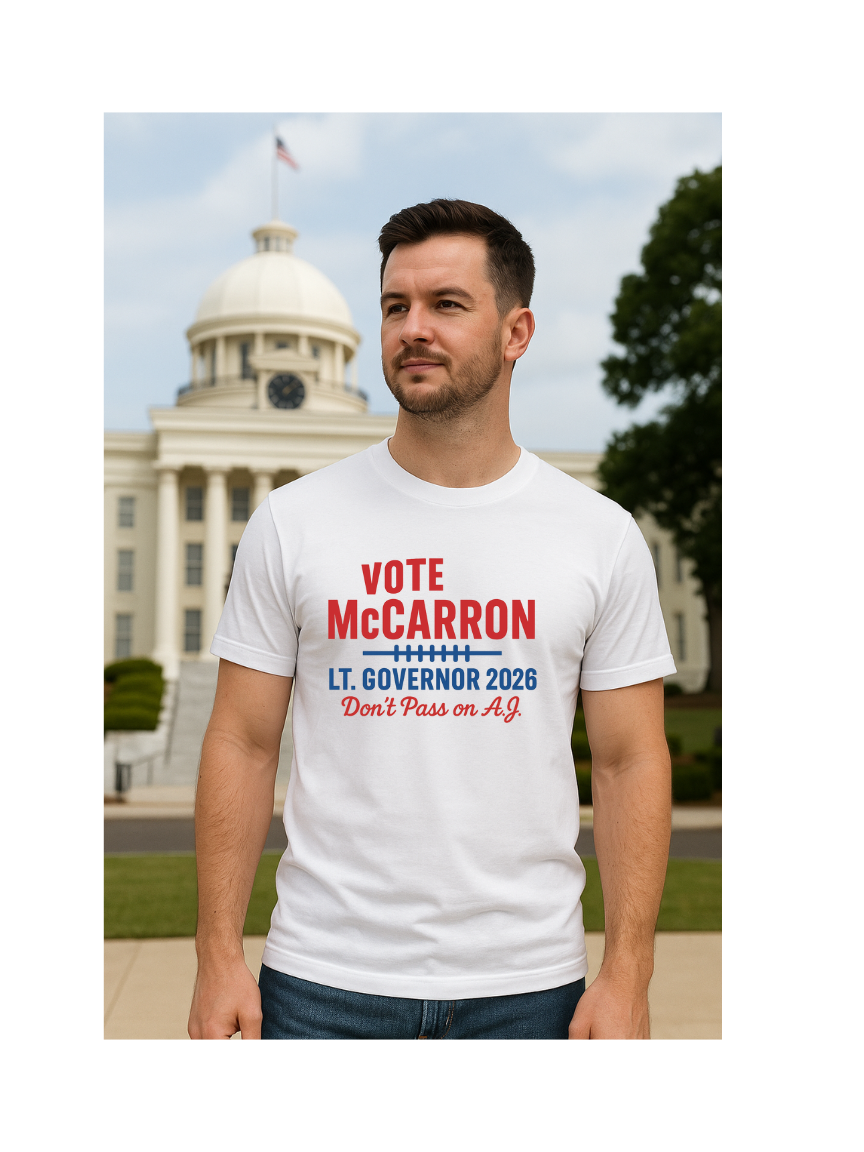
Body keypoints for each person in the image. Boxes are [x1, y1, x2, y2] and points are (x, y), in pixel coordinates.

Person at [188, 199, 675, 1041]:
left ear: (517, 332)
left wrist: (629, 974)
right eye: (395, 306)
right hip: (320, 981)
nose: (413, 328)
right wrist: (216, 954)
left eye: (446, 304)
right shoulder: (292, 521)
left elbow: (630, 761)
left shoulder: (599, 534)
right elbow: (242, 741)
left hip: (528, 986)